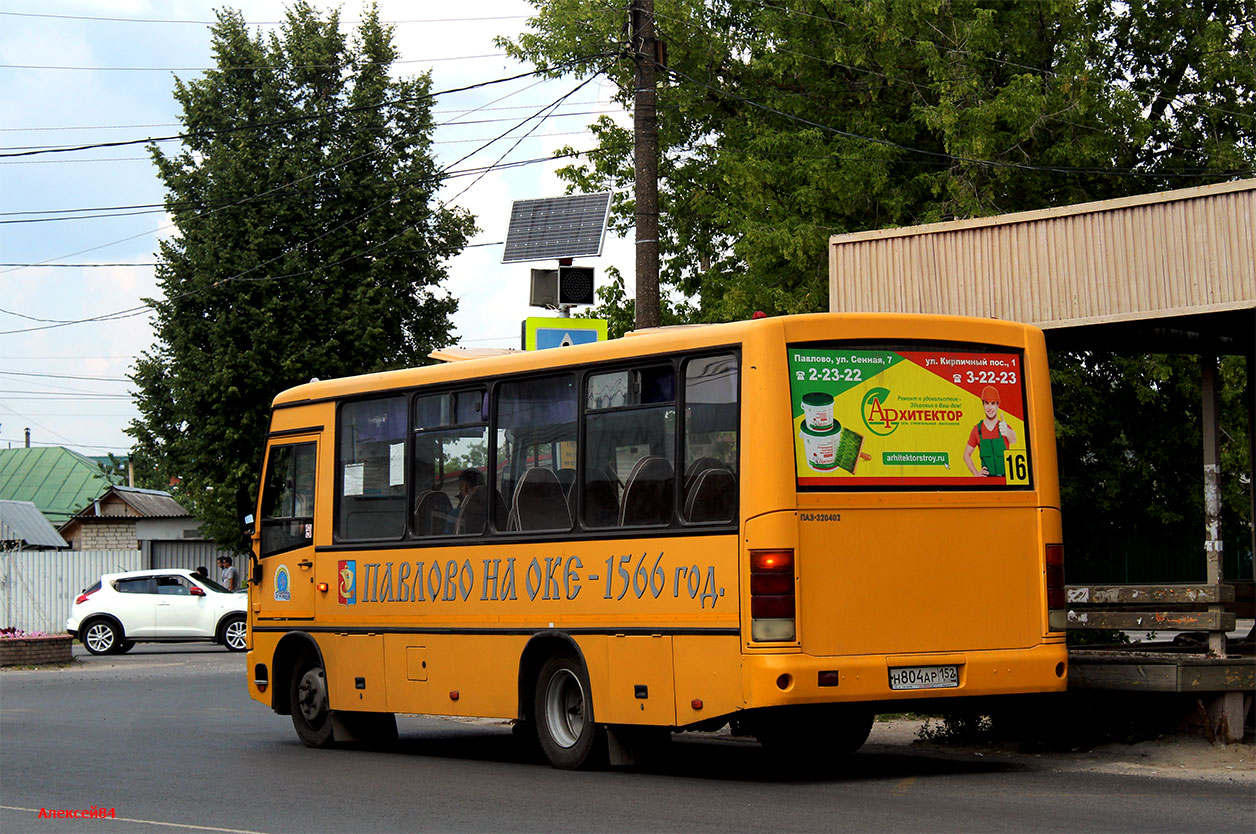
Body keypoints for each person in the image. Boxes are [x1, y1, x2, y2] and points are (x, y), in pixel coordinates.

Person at [964, 385, 1017, 477]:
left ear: (998, 405)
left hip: (1005, 482)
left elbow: (1014, 440)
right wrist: (976, 473)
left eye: (993, 403)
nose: (990, 407)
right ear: (983, 404)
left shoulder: (1004, 427)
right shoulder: (977, 429)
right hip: (987, 483)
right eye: (986, 403)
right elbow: (966, 455)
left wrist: (1007, 431)